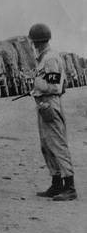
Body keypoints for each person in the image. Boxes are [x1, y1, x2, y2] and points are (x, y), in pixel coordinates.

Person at [29, 23, 76, 201]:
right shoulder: (43, 58)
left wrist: (37, 87)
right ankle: (56, 184)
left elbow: (55, 85)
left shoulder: (49, 59)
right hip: (44, 103)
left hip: (49, 102)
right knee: (47, 145)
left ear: (36, 42)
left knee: (57, 144)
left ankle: (69, 186)